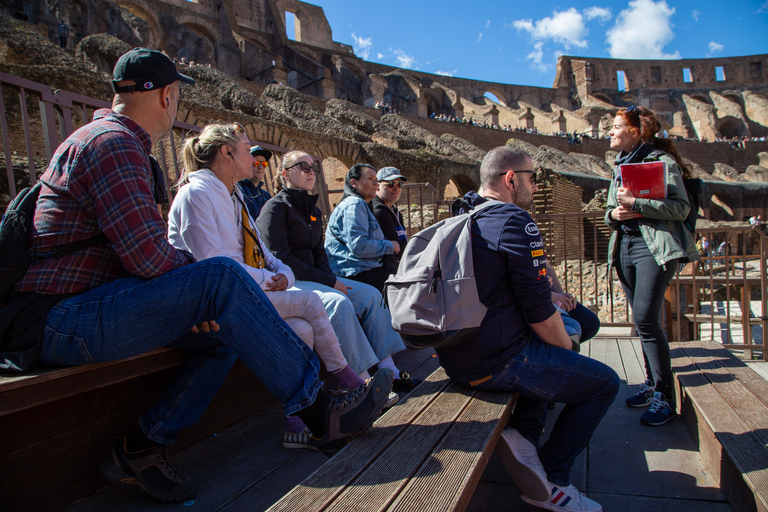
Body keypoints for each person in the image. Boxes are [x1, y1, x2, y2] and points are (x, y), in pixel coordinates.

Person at [10, 48, 392, 502]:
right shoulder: (111, 144)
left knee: (223, 327)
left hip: (89, 307)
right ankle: (317, 410)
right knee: (221, 279)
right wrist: (202, 292)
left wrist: (201, 299)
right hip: (58, 318)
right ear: (168, 94)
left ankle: (144, 444)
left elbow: (151, 257)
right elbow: (149, 259)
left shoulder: (120, 144)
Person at [167, 123, 369, 450]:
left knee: (302, 328)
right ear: (227, 152)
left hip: (246, 290)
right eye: (248, 150)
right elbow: (213, 264)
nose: (255, 158)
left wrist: (285, 277)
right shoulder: (197, 194)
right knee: (310, 304)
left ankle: (295, 423)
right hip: (214, 300)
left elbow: (266, 253)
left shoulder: (234, 197)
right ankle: (352, 383)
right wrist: (267, 280)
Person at [440, 146, 618, 512]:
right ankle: (553, 478)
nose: (536, 187)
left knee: (560, 342)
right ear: (510, 179)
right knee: (603, 382)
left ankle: (526, 432)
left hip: (456, 355)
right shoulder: (514, 220)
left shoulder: (464, 215)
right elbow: (539, 313)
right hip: (496, 361)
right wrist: (567, 352)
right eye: (532, 179)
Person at [256, 152, 420, 392]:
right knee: (339, 302)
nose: (311, 171)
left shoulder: (312, 210)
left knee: (371, 296)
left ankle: (389, 370)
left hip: (317, 278)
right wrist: (329, 282)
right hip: (290, 280)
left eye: (314, 168)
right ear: (285, 173)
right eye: (303, 167)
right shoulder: (275, 208)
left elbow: (320, 254)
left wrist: (330, 279)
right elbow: (280, 258)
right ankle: (362, 382)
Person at [605, 105, 698, 426]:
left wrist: (637, 204)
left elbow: (681, 208)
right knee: (641, 320)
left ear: (634, 131)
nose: (611, 132)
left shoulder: (662, 161)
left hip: (654, 248)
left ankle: (665, 397)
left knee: (646, 318)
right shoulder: (619, 166)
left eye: (616, 127)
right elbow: (609, 210)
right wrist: (614, 214)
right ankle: (649, 383)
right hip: (625, 246)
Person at [325, 163, 399, 292]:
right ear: (354, 183)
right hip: (355, 273)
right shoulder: (354, 204)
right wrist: (390, 245)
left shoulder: (362, 205)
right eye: (370, 178)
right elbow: (359, 246)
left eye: (376, 179)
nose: (375, 183)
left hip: (363, 270)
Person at [372, 167, 409, 272]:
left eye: (399, 184)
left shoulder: (395, 211)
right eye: (391, 184)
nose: (396, 188)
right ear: (378, 186)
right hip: (384, 269)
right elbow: (398, 249)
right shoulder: (379, 211)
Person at [238, 145, 273, 220]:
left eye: (264, 164)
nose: (260, 167)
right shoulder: (239, 190)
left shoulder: (266, 196)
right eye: (256, 163)